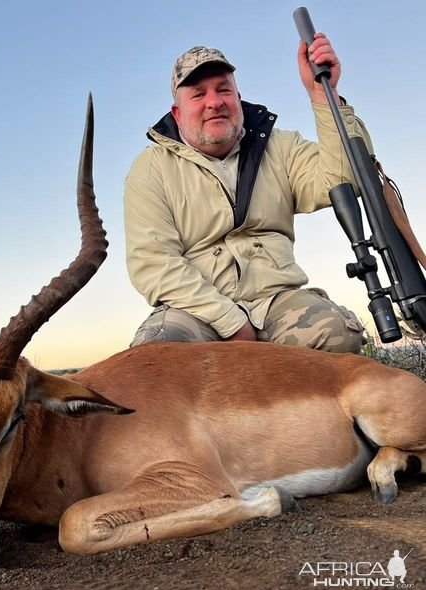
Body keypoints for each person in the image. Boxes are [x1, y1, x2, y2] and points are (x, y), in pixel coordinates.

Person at [124, 33, 369, 352]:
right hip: (195, 310)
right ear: (177, 113)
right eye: (198, 95)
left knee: (337, 334)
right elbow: (153, 262)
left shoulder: (281, 147)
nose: (214, 102)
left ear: (238, 97)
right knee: (155, 357)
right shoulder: (150, 168)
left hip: (277, 301)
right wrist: (230, 320)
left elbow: (345, 179)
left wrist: (325, 95)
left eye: (223, 90)